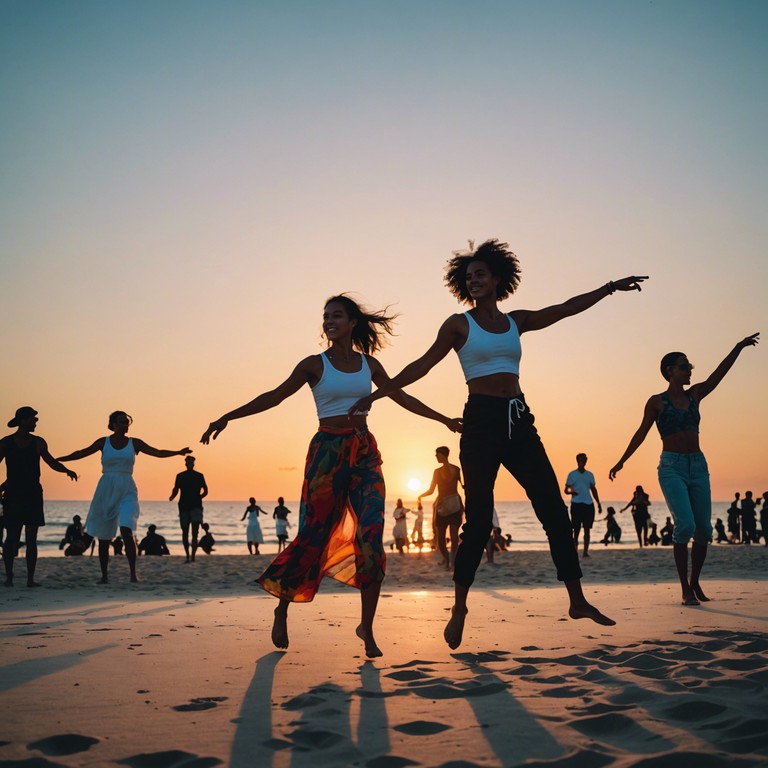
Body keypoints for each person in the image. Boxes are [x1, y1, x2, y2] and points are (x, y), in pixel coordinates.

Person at [352, 239, 632, 647]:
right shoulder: (458, 324)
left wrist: (608, 288)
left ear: (498, 278)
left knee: (554, 510)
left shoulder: (516, 321)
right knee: (479, 522)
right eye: (469, 277)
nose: (474, 280)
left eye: (481, 273)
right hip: (480, 423)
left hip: (519, 419)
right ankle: (460, 606)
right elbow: (422, 364)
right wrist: (380, 393)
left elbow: (565, 308)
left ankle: (576, 599)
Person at [201, 294, 460, 658]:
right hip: (327, 455)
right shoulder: (313, 365)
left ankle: (367, 628)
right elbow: (274, 396)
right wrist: (228, 416)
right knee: (313, 535)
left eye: (335, 316)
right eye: (325, 317)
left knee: (371, 539)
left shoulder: (369, 365)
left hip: (364, 453)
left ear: (352, 322)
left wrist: (443, 419)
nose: (328, 322)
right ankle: (282, 607)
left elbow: (400, 396)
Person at [610, 333, 760, 605]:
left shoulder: (695, 395)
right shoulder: (656, 401)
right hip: (671, 467)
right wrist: (622, 460)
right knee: (686, 525)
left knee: (703, 529)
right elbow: (641, 432)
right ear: (670, 372)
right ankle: (684, 588)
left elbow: (718, 376)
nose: (690, 369)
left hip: (698, 467)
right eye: (684, 366)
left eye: (690, 366)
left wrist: (737, 347)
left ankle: (695, 583)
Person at [57, 410, 191, 584]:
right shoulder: (103, 442)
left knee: (126, 530)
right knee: (104, 537)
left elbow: (157, 452)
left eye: (127, 422)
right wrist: (56, 460)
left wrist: (178, 452)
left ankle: (133, 574)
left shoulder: (134, 443)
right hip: (106, 488)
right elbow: (80, 453)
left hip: (127, 488)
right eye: (121, 422)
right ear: (113, 424)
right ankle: (104, 576)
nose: (125, 425)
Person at [1, 407, 78, 586]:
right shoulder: (5, 442)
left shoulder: (38, 442)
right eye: (32, 420)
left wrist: (66, 470)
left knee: (31, 539)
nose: (35, 422)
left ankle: (30, 579)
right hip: (13, 494)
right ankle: (9, 578)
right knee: (11, 538)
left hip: (33, 494)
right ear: (22, 421)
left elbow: (51, 462)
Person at [418, 447, 463, 571]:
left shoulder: (453, 470)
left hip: (451, 506)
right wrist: (421, 495)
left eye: (437, 454)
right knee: (442, 539)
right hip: (447, 506)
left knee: (451, 538)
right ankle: (448, 561)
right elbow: (432, 490)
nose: (436, 457)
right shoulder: (442, 471)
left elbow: (462, 486)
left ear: (443, 455)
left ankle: (452, 562)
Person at [169, 455, 208, 563]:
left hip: (193, 507)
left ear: (192, 463)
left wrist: (199, 497)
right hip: (186, 507)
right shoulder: (181, 476)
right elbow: (176, 489)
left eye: (190, 462)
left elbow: (205, 490)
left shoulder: (198, 476)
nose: (189, 463)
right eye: (188, 462)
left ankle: (191, 556)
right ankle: (189, 556)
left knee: (192, 533)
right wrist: (172, 496)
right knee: (186, 532)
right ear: (186, 463)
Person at [564, 453, 602, 558]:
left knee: (587, 529)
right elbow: (566, 490)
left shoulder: (590, 475)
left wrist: (598, 503)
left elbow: (594, 490)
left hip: (588, 504)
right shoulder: (572, 474)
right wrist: (572, 493)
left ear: (586, 461)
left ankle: (585, 552)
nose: (581, 462)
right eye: (580, 460)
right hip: (576, 504)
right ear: (577, 461)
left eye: (583, 460)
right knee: (576, 530)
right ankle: (575, 551)